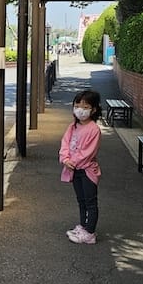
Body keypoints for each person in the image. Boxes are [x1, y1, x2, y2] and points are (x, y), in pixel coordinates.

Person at [59, 89, 102, 244]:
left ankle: (90, 232)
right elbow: (65, 142)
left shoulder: (94, 129)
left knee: (90, 201)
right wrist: (65, 158)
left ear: (94, 109)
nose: (80, 110)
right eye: (77, 105)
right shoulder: (73, 126)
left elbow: (88, 152)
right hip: (74, 169)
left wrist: (73, 161)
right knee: (81, 200)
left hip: (87, 171)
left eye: (85, 107)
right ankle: (83, 226)